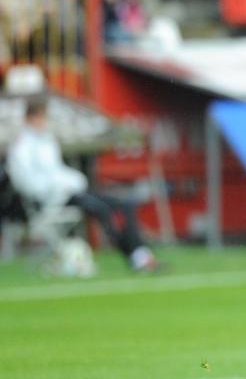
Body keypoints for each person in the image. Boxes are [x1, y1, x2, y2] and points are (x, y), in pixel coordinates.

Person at [6, 97, 157, 272]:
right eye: (40, 117)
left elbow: (57, 170)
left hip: (70, 192)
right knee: (102, 210)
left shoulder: (46, 141)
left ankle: (140, 252)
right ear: (30, 119)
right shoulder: (21, 146)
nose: (44, 122)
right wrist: (58, 188)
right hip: (50, 200)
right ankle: (135, 257)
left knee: (126, 205)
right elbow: (26, 182)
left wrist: (75, 180)